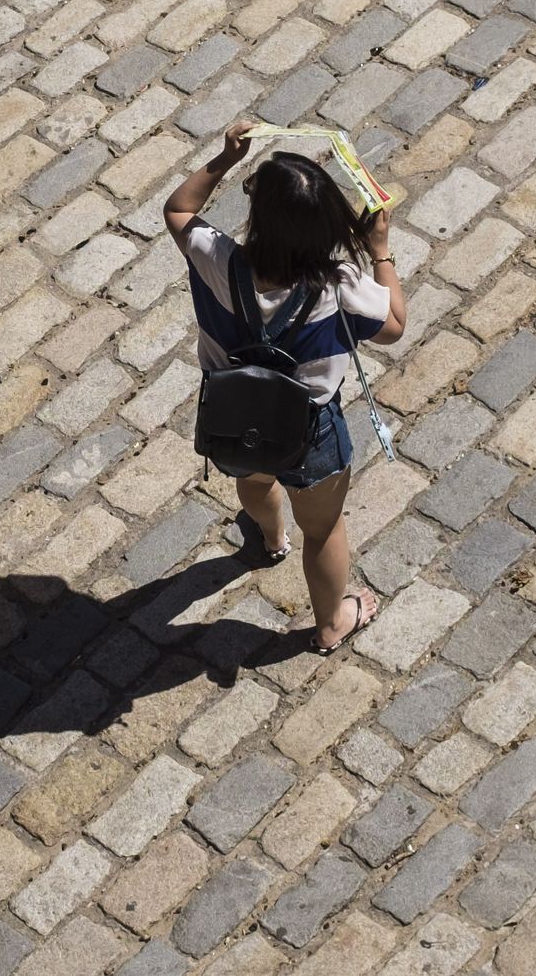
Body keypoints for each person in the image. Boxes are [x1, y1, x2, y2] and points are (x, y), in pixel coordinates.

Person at [163, 121, 407, 655]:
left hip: (234, 412)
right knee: (322, 530)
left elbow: (178, 211)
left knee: (253, 479)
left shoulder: (218, 259)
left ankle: (270, 539)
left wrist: (226, 159)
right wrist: (381, 251)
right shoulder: (341, 286)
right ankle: (332, 624)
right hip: (311, 429)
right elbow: (393, 326)